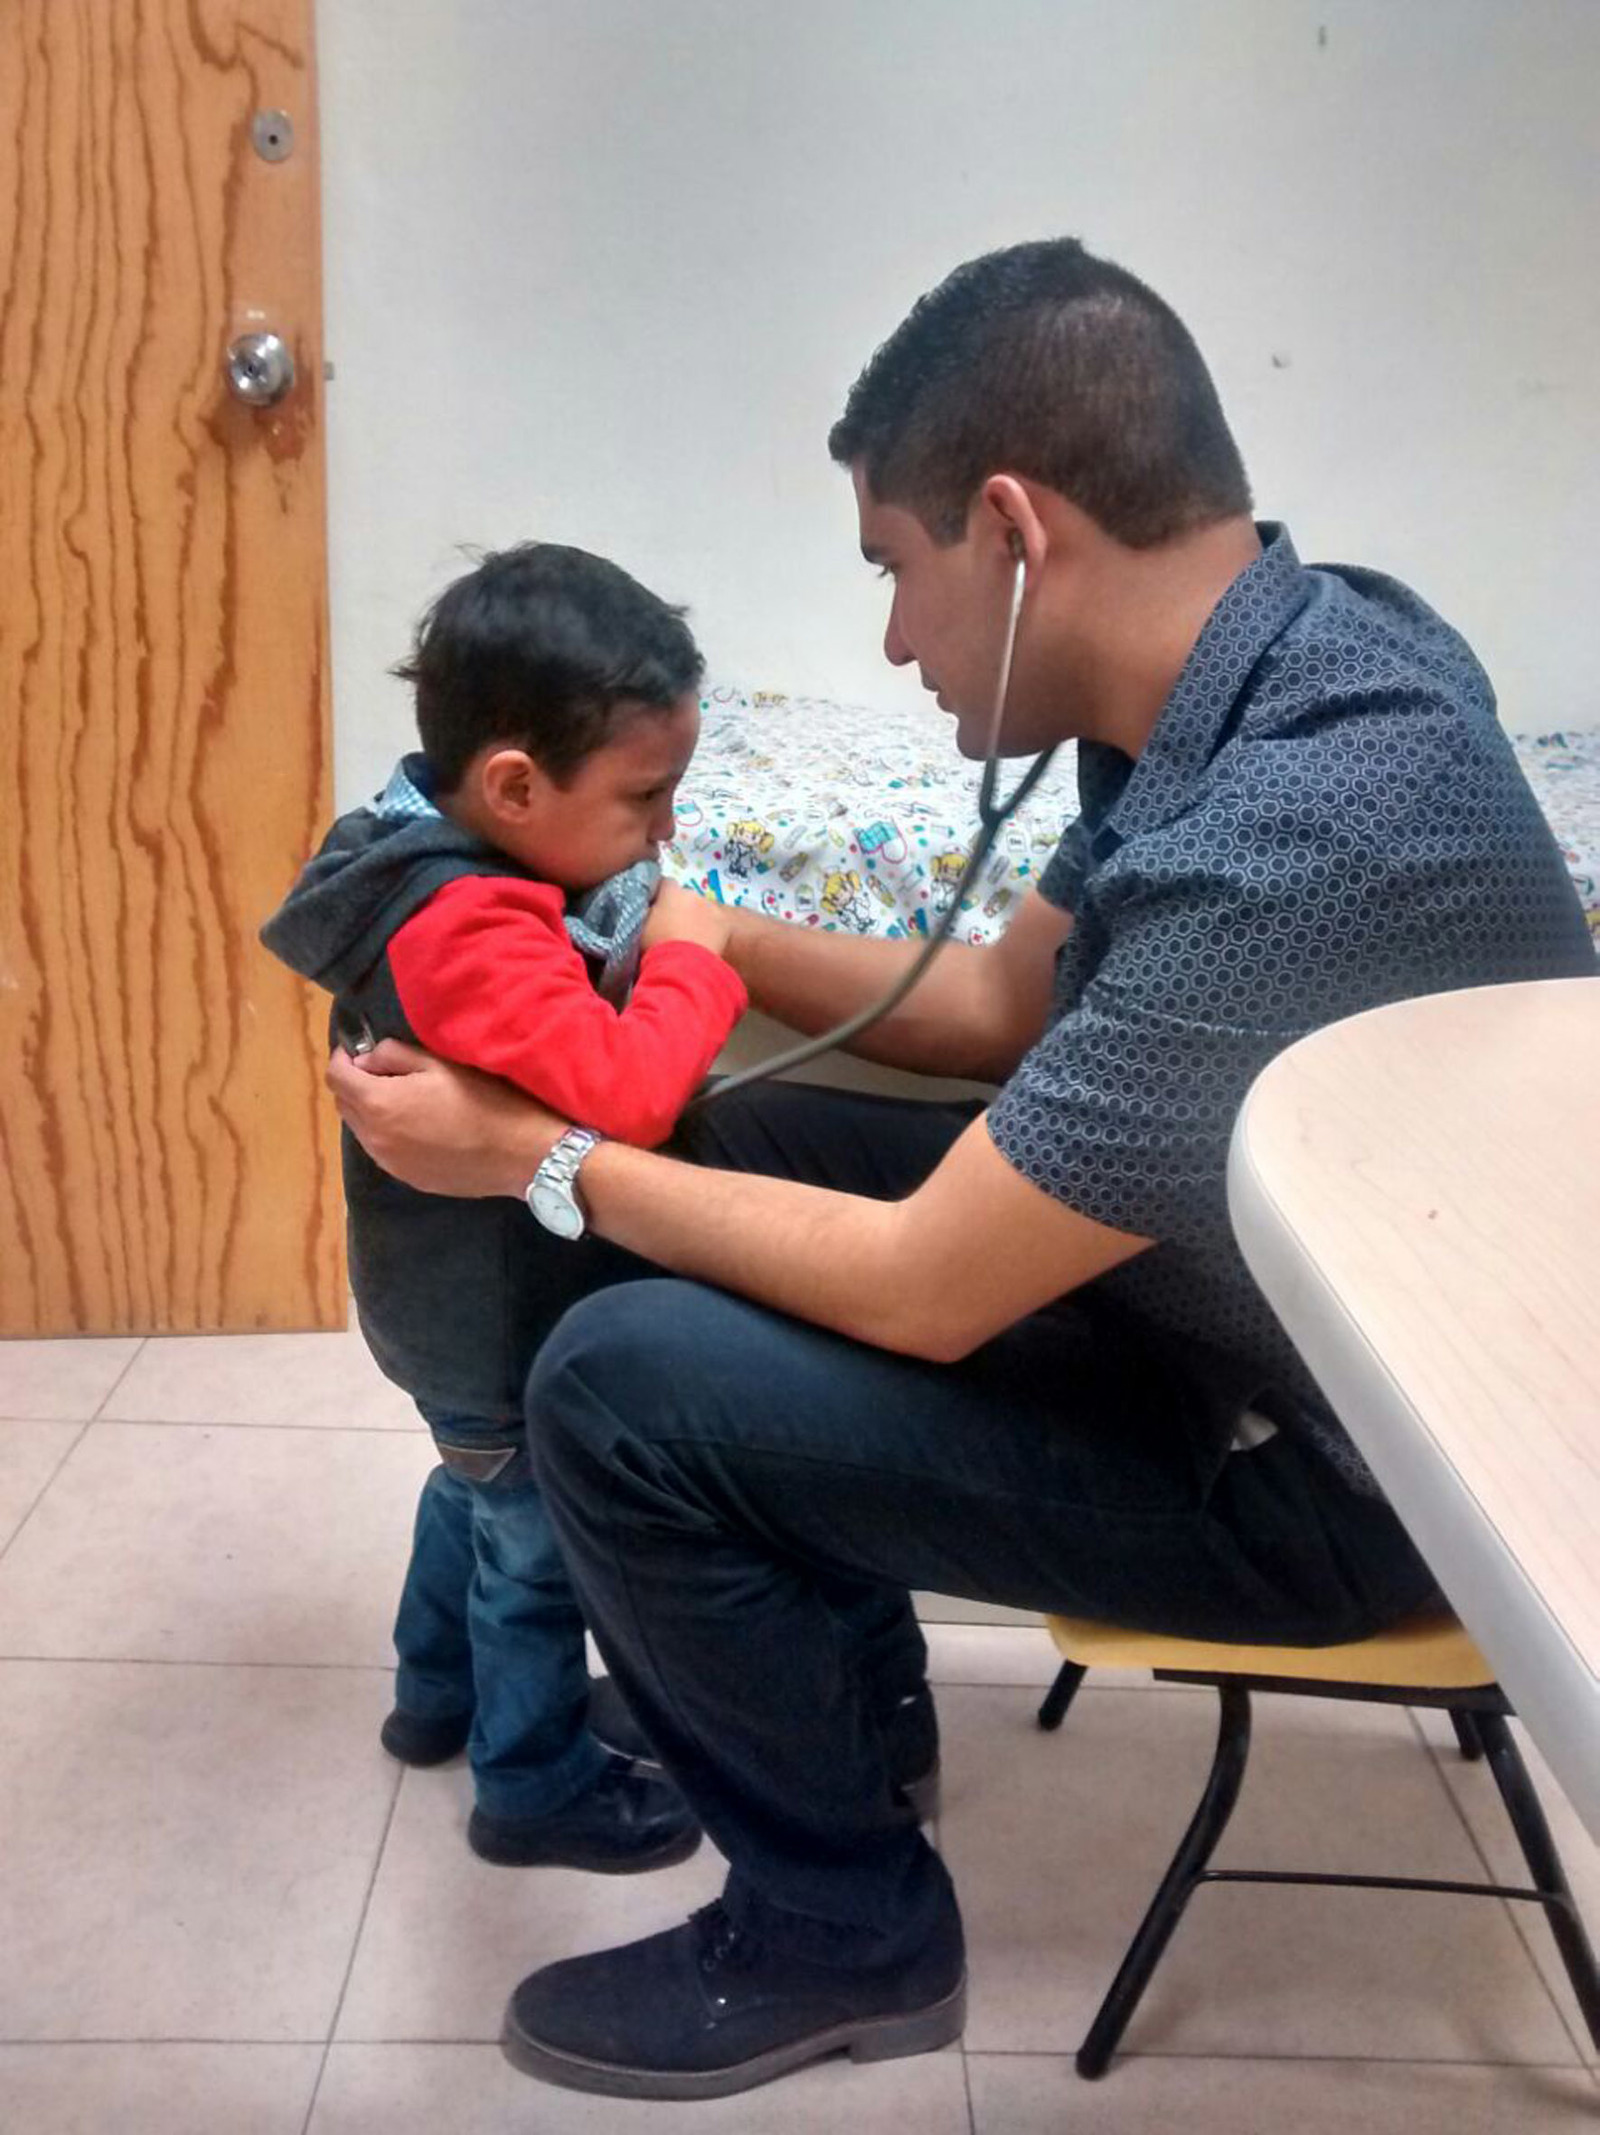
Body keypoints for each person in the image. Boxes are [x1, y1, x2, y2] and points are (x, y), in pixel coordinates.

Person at [326, 240, 1596, 2100]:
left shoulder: (1295, 840)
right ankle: (840, 1719)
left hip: (1336, 1469)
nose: (894, 643)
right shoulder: (1300, 652)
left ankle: (843, 1928)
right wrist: (714, 938)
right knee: (736, 1137)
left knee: (614, 1388)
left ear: (1011, 530)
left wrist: (537, 1152)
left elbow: (930, 1283)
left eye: (894, 573)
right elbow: (1006, 1000)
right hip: (1230, 1301)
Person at [262, 543, 749, 1871]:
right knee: (536, 1549)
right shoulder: (466, 927)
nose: (662, 832)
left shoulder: (418, 840)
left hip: (440, 1305)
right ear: (515, 788)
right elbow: (631, 1095)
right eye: (646, 798)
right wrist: (699, 963)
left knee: (472, 1491)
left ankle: (433, 1696)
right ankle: (530, 1783)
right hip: (488, 1311)